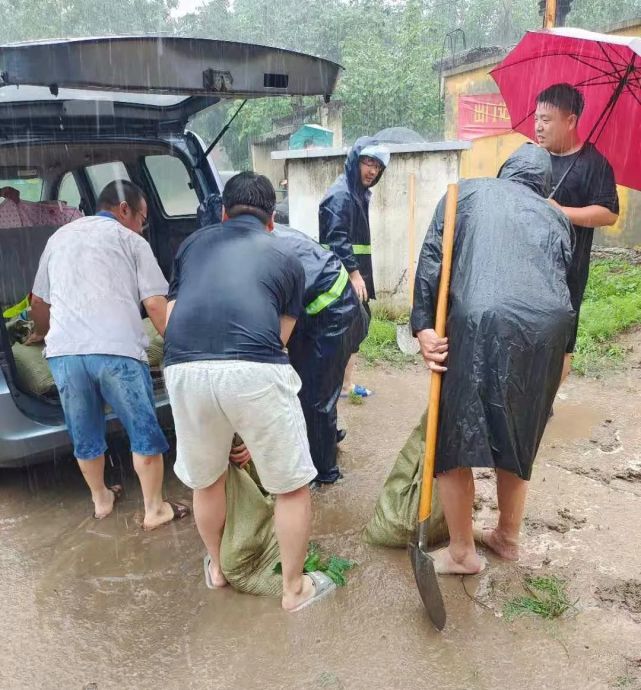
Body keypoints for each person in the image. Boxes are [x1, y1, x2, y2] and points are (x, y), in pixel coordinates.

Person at [163, 172, 335, 611]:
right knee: (292, 485)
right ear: (272, 219)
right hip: (253, 367)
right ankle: (294, 590)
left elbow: (172, 312)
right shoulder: (287, 258)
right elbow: (278, 340)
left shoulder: (191, 245)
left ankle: (218, 570)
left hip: (182, 366)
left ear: (223, 213)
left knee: (207, 480)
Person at [411, 144, 575, 574]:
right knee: (517, 437)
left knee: (455, 435)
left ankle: (463, 552)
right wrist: (567, 351)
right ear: (545, 184)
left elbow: (433, 258)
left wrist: (423, 326)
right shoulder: (557, 216)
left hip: (479, 321)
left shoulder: (463, 193)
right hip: (546, 331)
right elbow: (568, 285)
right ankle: (507, 537)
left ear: (505, 172)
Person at [30, 180, 189, 529]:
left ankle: (101, 499)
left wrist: (42, 333)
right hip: (116, 350)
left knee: (84, 430)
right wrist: (179, 347)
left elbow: (38, 302)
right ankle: (155, 510)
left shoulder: (58, 238)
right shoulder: (131, 241)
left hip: (65, 354)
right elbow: (154, 304)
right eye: (143, 218)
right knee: (143, 431)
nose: (143, 226)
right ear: (124, 210)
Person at [535, 83, 619, 383]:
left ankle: (544, 405)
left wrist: (561, 211)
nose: (538, 127)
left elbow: (609, 213)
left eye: (546, 119)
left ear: (570, 121)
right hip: (529, 265)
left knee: (561, 342)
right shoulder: (533, 159)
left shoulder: (594, 164)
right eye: (536, 119)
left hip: (568, 270)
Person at [273, 224, 369, 485]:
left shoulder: (257, 245)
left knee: (316, 398)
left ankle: (325, 472)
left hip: (332, 317)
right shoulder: (269, 230)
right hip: (321, 312)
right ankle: (323, 437)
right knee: (312, 387)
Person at [319, 137, 390, 398]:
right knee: (344, 332)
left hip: (352, 275)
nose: (372, 170)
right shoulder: (341, 194)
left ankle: (345, 385)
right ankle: (333, 388)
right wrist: (354, 274)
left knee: (357, 327)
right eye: (367, 162)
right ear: (354, 162)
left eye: (378, 165)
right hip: (341, 278)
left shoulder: (356, 193)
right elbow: (336, 237)